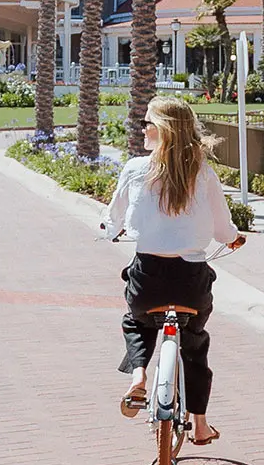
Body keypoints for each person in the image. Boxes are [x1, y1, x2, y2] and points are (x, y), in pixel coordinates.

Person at [103, 97, 244, 445]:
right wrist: (234, 239)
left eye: (148, 122)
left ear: (163, 129)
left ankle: (139, 375)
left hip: (148, 276)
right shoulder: (204, 172)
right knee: (194, 345)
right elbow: (222, 228)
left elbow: (113, 218)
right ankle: (200, 424)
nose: (143, 128)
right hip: (190, 281)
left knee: (136, 320)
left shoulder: (136, 168)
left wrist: (109, 230)